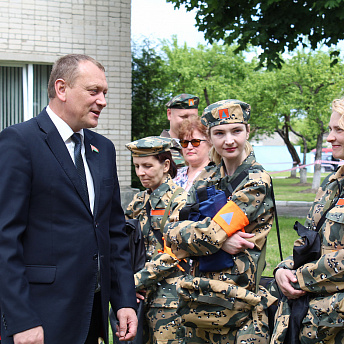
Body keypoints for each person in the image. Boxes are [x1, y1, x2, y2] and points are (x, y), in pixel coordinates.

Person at [0, 54, 137, 344]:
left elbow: (113, 232)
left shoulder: (103, 148)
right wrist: (21, 319)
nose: (103, 101)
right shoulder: (19, 142)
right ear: (62, 89)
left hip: (92, 316)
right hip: (40, 318)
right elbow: (4, 238)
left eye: (105, 93)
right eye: (94, 91)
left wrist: (124, 299)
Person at [164, 99, 277, 343]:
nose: (229, 140)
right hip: (201, 300)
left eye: (236, 131)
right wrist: (221, 241)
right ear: (211, 137)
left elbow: (211, 232)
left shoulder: (256, 180)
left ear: (248, 131)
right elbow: (171, 233)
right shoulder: (207, 177)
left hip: (240, 306)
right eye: (219, 133)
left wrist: (203, 235)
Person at [272, 98, 344, 343]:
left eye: (339, 130)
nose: (331, 137)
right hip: (310, 321)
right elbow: (312, 243)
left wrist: (300, 277)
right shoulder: (332, 183)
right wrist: (283, 269)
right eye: (330, 129)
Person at [125, 136, 187, 344]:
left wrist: (132, 283)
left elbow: (174, 254)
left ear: (166, 165)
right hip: (140, 297)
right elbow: (122, 243)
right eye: (137, 166)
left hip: (169, 300)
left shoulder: (180, 201)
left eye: (147, 166)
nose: (141, 172)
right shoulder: (139, 201)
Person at [173, 115, 212, 191]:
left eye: (195, 142)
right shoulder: (175, 175)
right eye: (185, 143)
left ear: (210, 143)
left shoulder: (217, 174)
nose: (189, 147)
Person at [161, 93, 199, 168]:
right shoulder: (158, 149)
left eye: (193, 117)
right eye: (184, 117)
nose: (189, 121)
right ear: (169, 114)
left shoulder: (204, 145)